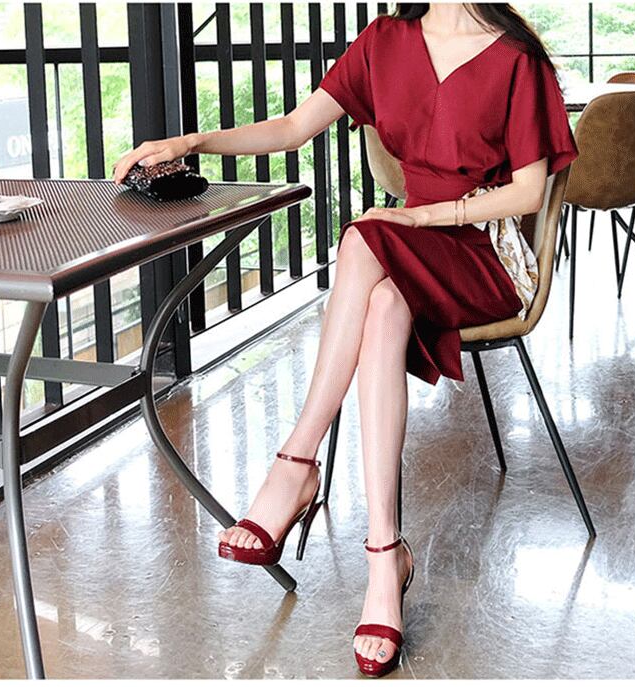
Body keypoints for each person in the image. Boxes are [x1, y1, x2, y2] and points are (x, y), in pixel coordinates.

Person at [112, 3, 578, 677]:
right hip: (412, 244)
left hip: (484, 254)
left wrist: (426, 216)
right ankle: (386, 554)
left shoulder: (515, 58)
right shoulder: (386, 41)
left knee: (364, 237)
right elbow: (293, 127)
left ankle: (296, 463)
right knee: (383, 305)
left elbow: (530, 192)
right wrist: (192, 143)